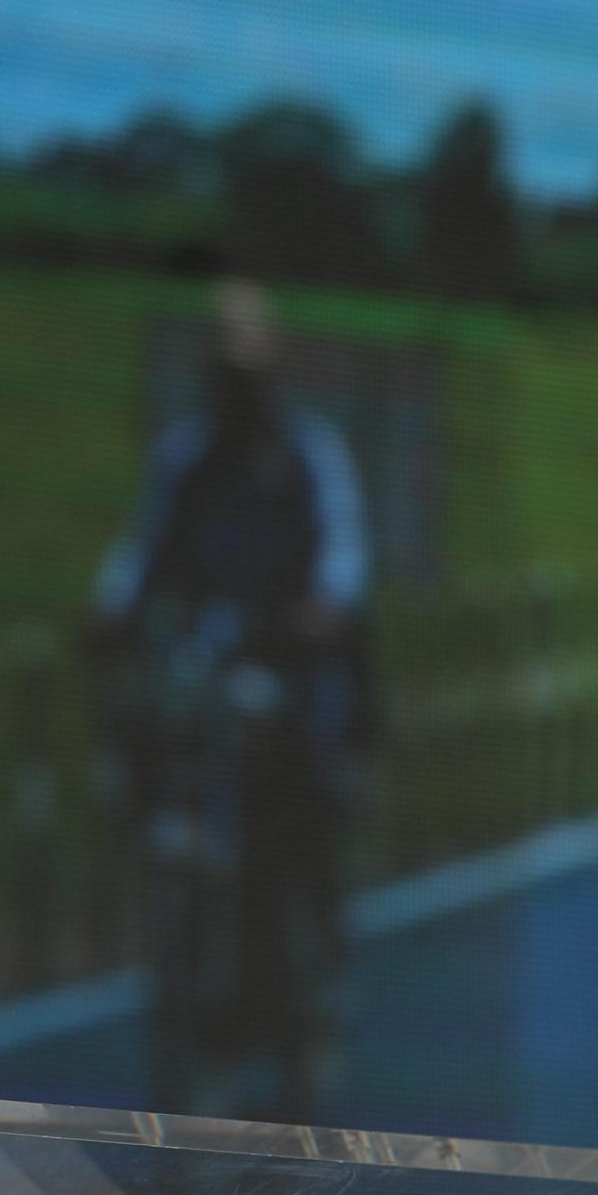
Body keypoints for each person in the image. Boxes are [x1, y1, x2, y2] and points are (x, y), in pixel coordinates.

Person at [89, 280, 374, 1107]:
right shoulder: (188, 456)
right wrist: (110, 612)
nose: (235, 387)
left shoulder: (310, 453)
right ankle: (181, 955)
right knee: (151, 741)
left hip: (286, 666)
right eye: (222, 371)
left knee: (304, 791)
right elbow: (141, 548)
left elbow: (344, 558)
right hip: (206, 661)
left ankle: (311, 955)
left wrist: (318, 613)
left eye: (247, 370)